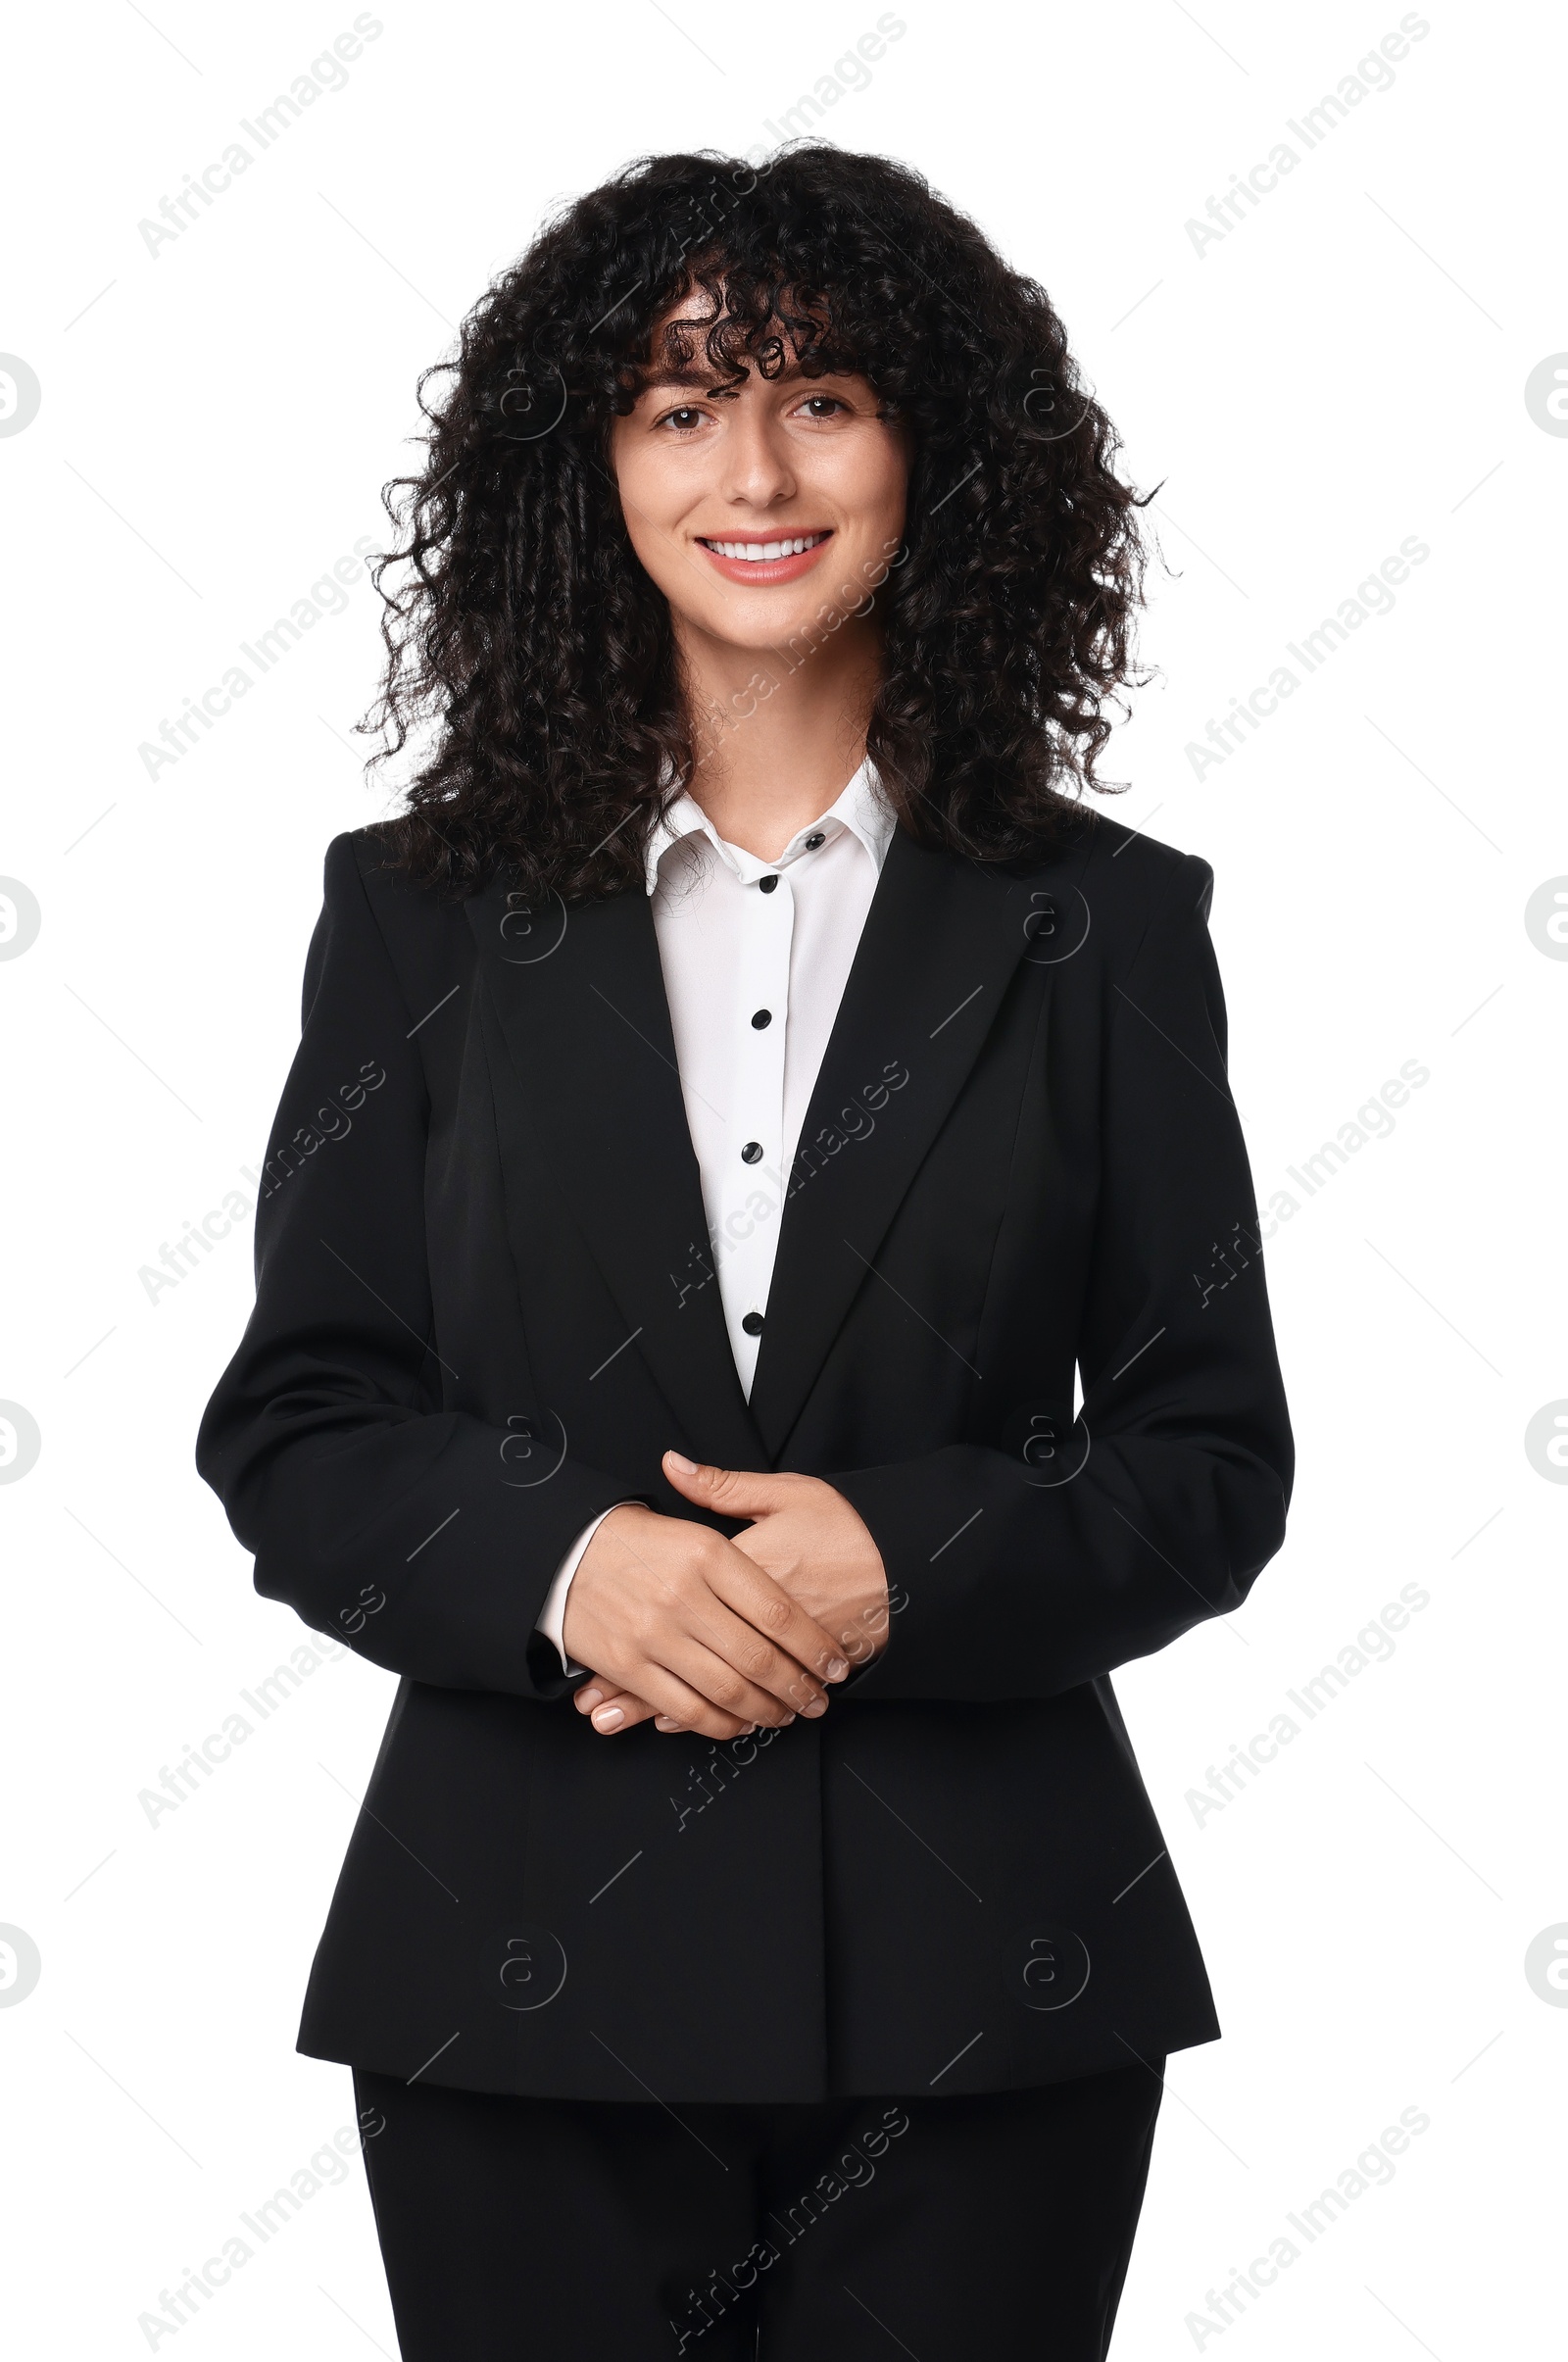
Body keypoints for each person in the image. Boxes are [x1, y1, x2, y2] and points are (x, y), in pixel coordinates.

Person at [197, 143, 1293, 2361]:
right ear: (589, 467)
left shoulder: (1107, 923)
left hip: (989, 1980)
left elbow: (1204, 1456)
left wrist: (906, 1557)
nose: (754, 466)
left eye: (823, 396)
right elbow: (300, 1421)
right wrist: (565, 1562)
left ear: (929, 450)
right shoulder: (415, 915)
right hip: (514, 1975)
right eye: (681, 404)